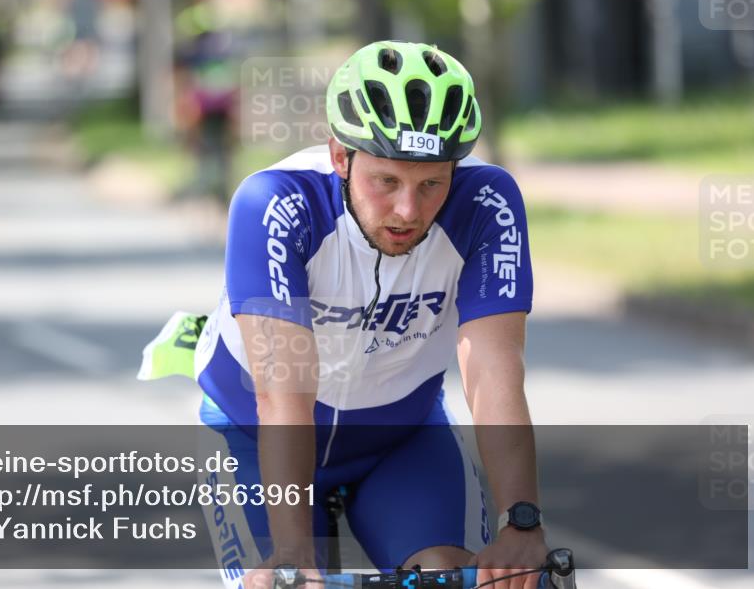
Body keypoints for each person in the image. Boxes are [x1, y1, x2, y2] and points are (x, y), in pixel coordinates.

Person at [141, 41, 547, 589]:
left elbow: (495, 369)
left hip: (400, 440)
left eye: (431, 183)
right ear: (340, 157)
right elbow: (281, 394)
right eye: (387, 181)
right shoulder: (277, 204)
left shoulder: (486, 203)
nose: (408, 210)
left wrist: (520, 521)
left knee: (449, 577)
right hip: (254, 434)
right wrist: (291, 552)